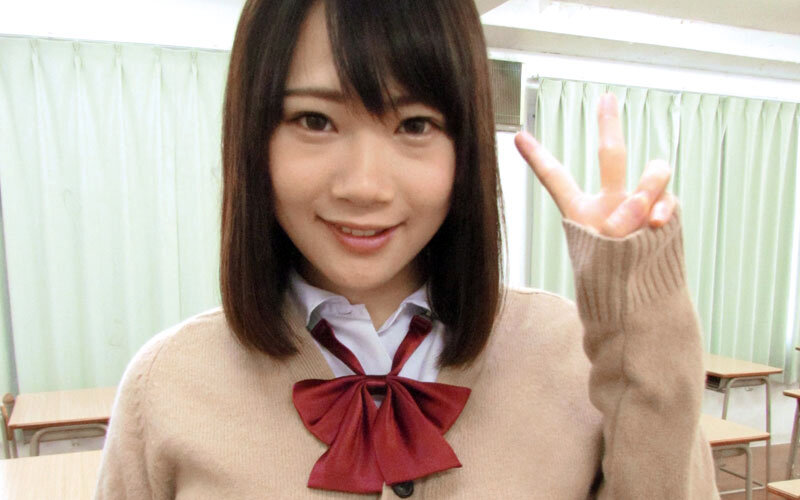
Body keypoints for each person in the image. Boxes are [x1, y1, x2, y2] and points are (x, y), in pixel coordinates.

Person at [95, 0, 719, 498]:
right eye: (315, 120)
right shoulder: (166, 386)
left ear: (464, 149)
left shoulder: (568, 358)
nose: (365, 186)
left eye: (414, 125)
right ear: (253, 136)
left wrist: (635, 311)